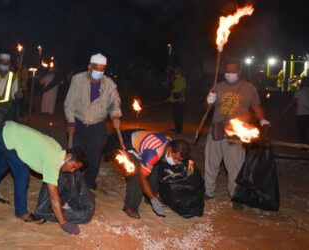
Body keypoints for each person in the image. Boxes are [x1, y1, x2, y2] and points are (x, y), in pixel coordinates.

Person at [0, 121, 84, 235]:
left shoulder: (58, 148)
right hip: (6, 136)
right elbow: (53, 197)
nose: (72, 171)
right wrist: (64, 223)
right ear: (69, 157)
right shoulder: (53, 161)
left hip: (6, 130)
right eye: (74, 167)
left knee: (0, 167)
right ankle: (21, 213)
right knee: (22, 174)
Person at [204, 61, 270, 210]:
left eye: (233, 71)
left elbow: (256, 106)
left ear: (239, 72)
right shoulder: (218, 86)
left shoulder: (249, 88)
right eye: (227, 71)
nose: (230, 74)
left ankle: (236, 196)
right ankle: (208, 192)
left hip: (236, 133)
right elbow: (206, 108)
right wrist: (209, 99)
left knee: (235, 166)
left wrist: (262, 120)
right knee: (211, 163)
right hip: (216, 130)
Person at [64, 53, 122, 191]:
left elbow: (115, 102)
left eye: (102, 69)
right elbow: (69, 103)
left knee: (95, 155)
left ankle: (89, 182)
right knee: (76, 154)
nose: (99, 72)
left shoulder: (109, 84)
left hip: (98, 126)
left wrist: (115, 116)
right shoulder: (77, 80)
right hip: (79, 123)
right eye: (96, 69)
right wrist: (70, 122)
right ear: (89, 67)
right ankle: (75, 181)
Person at [103, 129, 190, 219]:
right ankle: (130, 207)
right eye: (175, 158)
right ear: (169, 149)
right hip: (130, 145)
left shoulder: (171, 144)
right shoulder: (153, 152)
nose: (176, 162)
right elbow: (142, 177)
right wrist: (153, 200)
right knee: (136, 173)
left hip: (146, 145)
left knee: (155, 169)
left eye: (179, 160)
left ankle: (150, 197)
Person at [282, 77, 309, 145]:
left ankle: (303, 144)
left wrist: (285, 111)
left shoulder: (299, 92)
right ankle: (304, 144)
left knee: (301, 130)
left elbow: (292, 102)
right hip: (307, 114)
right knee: (305, 130)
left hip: (301, 114)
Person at [169, 67, 186, 134]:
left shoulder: (182, 79)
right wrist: (170, 98)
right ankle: (176, 128)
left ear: (179, 72)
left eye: (176, 71)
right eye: (174, 72)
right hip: (174, 100)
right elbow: (173, 90)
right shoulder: (175, 80)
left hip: (179, 100)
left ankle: (179, 130)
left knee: (179, 115)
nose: (174, 73)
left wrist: (181, 98)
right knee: (175, 115)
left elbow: (183, 89)